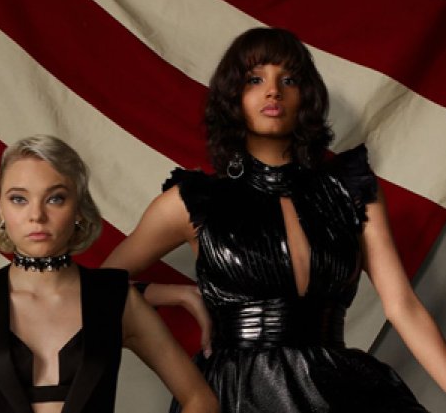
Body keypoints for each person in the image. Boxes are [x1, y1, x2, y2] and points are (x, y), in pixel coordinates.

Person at [102, 27, 446, 412]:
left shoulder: (351, 189)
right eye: (255, 79)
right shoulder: (193, 201)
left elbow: (402, 306)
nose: (273, 91)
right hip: (235, 397)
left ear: (306, 97)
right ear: (233, 97)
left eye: (289, 80)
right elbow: (93, 289)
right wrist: (178, 294)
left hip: (336, 390)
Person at [0, 135, 218, 413]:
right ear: (0, 206)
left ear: (78, 208)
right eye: (19, 198)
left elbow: (200, 400)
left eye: (55, 198)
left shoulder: (117, 300)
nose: (36, 216)